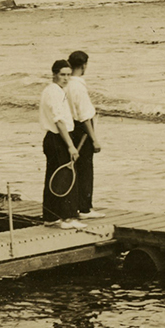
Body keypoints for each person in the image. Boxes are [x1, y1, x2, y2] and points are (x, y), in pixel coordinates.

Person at [39, 59, 83, 227]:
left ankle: (51, 218)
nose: (66, 78)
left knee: (56, 177)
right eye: (62, 75)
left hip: (56, 138)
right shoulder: (54, 92)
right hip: (57, 138)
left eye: (68, 75)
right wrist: (70, 145)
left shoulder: (56, 90)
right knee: (62, 178)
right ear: (54, 75)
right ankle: (65, 217)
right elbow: (58, 121)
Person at [65, 50, 104, 219]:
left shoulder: (65, 83)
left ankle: (77, 206)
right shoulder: (78, 86)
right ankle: (85, 208)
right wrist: (94, 139)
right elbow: (85, 117)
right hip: (82, 131)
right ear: (84, 65)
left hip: (70, 129)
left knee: (76, 169)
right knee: (86, 169)